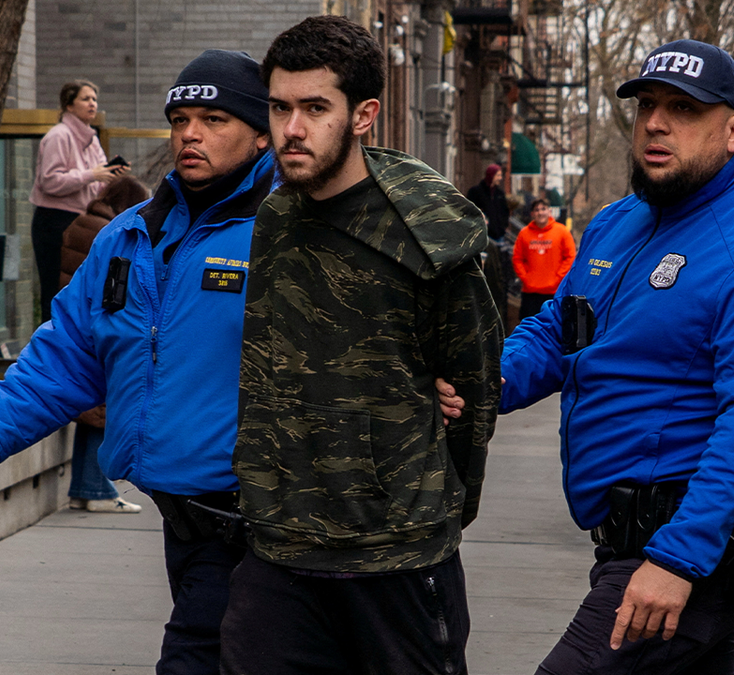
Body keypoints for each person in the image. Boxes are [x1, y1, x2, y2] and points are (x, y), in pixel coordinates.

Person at [440, 39, 734, 674]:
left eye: (684, 109)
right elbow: (557, 334)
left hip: (699, 541)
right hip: (632, 534)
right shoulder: (618, 223)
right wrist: (476, 379)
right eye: (647, 104)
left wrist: (677, 559)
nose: (656, 122)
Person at [0, 49, 277, 675]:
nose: (190, 134)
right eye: (180, 119)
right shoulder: (129, 235)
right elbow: (64, 358)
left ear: (261, 134)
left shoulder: (290, 232)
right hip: (187, 522)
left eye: (215, 119)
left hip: (264, 529)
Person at [219, 16, 502, 675]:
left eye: (315, 108)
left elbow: (475, 390)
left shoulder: (427, 231)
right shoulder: (274, 217)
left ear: (365, 114)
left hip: (394, 553)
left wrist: (426, 500)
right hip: (279, 548)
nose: (292, 129)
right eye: (281, 107)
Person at [58, 175, 150, 514]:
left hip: (82, 324)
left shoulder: (84, 223)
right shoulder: (108, 231)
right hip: (98, 329)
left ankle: (88, 487)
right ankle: (97, 489)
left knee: (92, 414)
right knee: (100, 413)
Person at [29, 80, 129, 323]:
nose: (92, 104)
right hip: (56, 221)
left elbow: (96, 182)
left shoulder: (92, 138)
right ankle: (51, 354)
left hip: (83, 222)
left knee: (83, 290)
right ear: (69, 105)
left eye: (94, 99)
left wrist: (111, 175)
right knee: (56, 291)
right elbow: (49, 182)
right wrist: (91, 174)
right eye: (86, 99)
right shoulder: (59, 136)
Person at [512, 198, 576, 322]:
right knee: (529, 326)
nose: (540, 213)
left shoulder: (562, 231)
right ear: (532, 214)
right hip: (530, 292)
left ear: (549, 211)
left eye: (543, 209)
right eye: (536, 210)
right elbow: (517, 258)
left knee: (554, 327)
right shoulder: (524, 234)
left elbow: (570, 257)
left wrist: (557, 278)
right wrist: (526, 278)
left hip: (554, 291)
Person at [467, 164, 511, 320]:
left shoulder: (499, 194)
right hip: (484, 237)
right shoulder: (476, 192)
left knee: (498, 271)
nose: (500, 178)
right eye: (498, 175)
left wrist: (502, 225)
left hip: (498, 236)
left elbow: (504, 211)